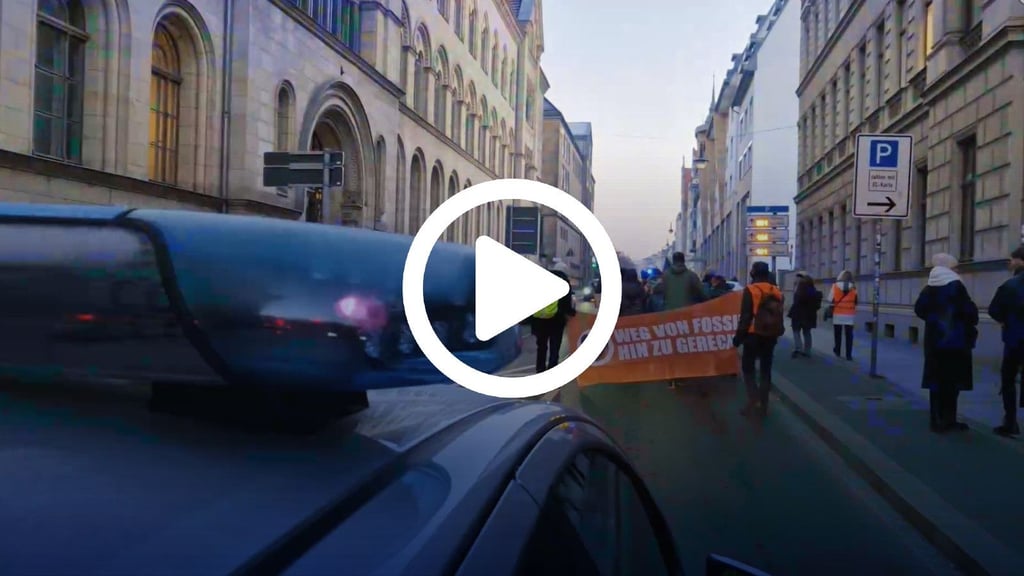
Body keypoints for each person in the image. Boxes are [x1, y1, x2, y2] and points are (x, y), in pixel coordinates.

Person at [913, 254, 978, 433]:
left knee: (936, 381)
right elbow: (970, 313)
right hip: (955, 341)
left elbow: (919, 309)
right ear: (948, 268)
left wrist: (933, 321)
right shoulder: (956, 286)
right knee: (952, 381)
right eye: (955, 267)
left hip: (934, 341)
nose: (957, 270)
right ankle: (949, 419)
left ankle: (936, 419)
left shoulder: (929, 287)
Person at [733, 261, 785, 417]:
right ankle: (764, 405)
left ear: (753, 273)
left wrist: (738, 338)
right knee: (765, 370)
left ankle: (753, 400)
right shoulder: (776, 291)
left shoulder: (750, 290)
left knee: (748, 368)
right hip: (770, 335)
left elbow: (746, 317)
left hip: (753, 335)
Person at [987, 245, 1024, 437]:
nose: (1010, 263)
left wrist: (1005, 321)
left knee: (1008, 379)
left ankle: (1010, 422)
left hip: (1015, 339)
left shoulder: (1010, 286)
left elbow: (994, 310)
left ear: (1020, 261)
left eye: (1012, 259)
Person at [531, 267, 576, 373]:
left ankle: (540, 368)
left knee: (541, 346)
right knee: (555, 347)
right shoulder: (564, 282)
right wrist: (572, 313)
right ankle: (552, 368)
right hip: (557, 321)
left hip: (540, 320)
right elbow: (567, 303)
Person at [788, 272, 822, 358]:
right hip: (809, 316)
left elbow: (796, 303)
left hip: (798, 315)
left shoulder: (799, 291)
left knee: (796, 331)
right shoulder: (814, 292)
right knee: (807, 333)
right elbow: (817, 306)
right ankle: (807, 351)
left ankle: (798, 348)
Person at [828, 269, 857, 360]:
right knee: (849, 335)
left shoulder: (835, 286)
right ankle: (848, 355)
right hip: (849, 315)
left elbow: (830, 299)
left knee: (838, 333)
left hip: (838, 313)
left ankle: (837, 351)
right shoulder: (853, 287)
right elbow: (856, 301)